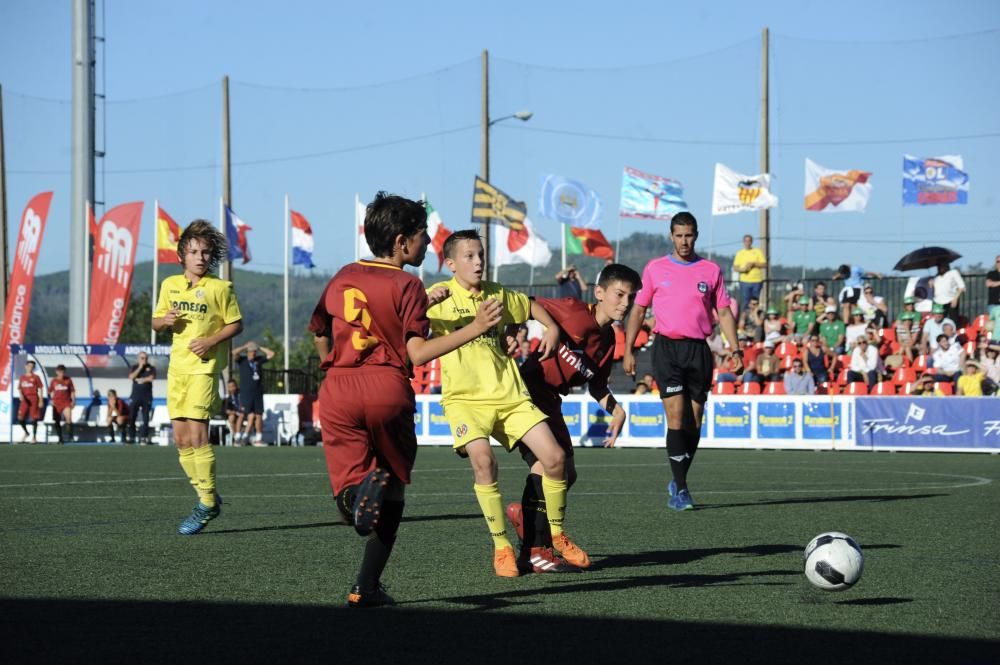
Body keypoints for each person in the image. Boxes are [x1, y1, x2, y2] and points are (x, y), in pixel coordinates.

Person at [314, 194, 502, 606]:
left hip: (338, 389)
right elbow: (416, 353)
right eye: (422, 236)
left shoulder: (343, 274)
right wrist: (476, 326)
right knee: (394, 488)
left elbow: (320, 331)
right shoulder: (408, 283)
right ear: (401, 242)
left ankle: (353, 500)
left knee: (352, 488)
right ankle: (365, 587)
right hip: (385, 388)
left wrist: (334, 365)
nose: (427, 244)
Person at [427, 229, 591, 577]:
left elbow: (531, 307)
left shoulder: (496, 294)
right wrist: (423, 307)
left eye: (481, 255)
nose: (478, 262)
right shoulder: (436, 297)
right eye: (469, 256)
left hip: (510, 396)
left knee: (556, 458)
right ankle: (502, 547)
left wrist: (551, 329)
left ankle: (558, 536)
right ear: (451, 263)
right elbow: (407, 331)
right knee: (484, 463)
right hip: (465, 402)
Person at [505, 264, 641, 574]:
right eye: (619, 295)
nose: (624, 303)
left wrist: (616, 409)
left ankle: (526, 522)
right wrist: (511, 334)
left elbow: (596, 384)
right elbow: (522, 303)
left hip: (550, 401)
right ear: (599, 293)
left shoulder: (608, 343)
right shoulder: (571, 310)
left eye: (630, 298)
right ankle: (534, 551)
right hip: (525, 391)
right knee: (549, 466)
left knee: (568, 474)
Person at [624, 212, 738, 512]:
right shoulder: (655, 269)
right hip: (667, 350)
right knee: (675, 417)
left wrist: (735, 348)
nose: (684, 241)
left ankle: (678, 479)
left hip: (698, 350)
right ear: (671, 236)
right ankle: (682, 490)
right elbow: (637, 311)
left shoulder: (711, 270)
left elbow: (724, 313)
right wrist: (627, 349)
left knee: (694, 421)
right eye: (679, 235)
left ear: (696, 235)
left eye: (688, 235)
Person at [152, 219, 244, 535]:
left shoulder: (221, 288)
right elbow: (155, 322)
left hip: (203, 369)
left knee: (198, 437)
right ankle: (207, 496)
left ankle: (206, 504)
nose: (200, 257)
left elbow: (236, 325)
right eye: (194, 252)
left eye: (205, 252)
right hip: (176, 370)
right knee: (180, 440)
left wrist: (210, 341)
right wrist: (164, 320)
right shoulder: (169, 285)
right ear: (182, 256)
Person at [232, 341, 275, 446]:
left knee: (258, 415)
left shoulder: (258, 360)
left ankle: (258, 439)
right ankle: (237, 438)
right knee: (242, 415)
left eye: (254, 351)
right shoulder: (242, 360)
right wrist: (244, 346)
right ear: (247, 352)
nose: (253, 353)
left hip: (258, 393)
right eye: (251, 351)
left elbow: (272, 354)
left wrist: (259, 347)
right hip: (246, 393)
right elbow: (233, 353)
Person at [128, 351, 156, 444]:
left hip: (146, 397)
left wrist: (140, 380)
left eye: (146, 358)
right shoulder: (135, 367)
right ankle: (131, 437)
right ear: (138, 359)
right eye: (142, 358)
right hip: (135, 396)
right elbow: (131, 377)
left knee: (145, 418)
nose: (144, 360)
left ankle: (143, 437)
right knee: (132, 417)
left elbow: (151, 378)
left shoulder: (151, 368)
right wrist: (140, 367)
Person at [732, 234, 766, 307]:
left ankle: (755, 315)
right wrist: (743, 269)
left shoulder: (757, 251)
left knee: (756, 301)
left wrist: (754, 264)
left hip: (757, 281)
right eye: (746, 241)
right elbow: (735, 267)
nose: (747, 242)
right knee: (746, 301)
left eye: (749, 241)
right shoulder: (740, 253)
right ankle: (746, 317)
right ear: (743, 242)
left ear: (751, 242)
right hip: (744, 281)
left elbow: (764, 264)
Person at [17, 360, 44, 443]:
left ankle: (34, 438)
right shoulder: (22, 377)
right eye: (29, 366)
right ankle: (26, 432)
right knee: (20, 418)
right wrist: (21, 395)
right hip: (25, 399)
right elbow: (19, 388)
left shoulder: (36, 377)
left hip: (34, 398)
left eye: (32, 366)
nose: (30, 368)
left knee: (34, 418)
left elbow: (40, 388)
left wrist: (41, 400)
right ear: (25, 366)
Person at [48, 364, 76, 444]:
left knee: (69, 419)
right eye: (59, 372)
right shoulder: (54, 381)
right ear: (56, 372)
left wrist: (73, 401)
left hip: (66, 402)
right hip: (56, 403)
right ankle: (60, 438)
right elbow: (50, 391)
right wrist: (51, 400)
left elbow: (72, 391)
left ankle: (70, 437)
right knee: (57, 421)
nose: (61, 374)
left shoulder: (68, 380)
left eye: (63, 372)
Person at [223, 379, 242, 445]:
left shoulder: (241, 395)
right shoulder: (228, 398)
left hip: (242, 414)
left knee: (241, 416)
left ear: (236, 386)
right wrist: (232, 412)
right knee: (231, 417)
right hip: (234, 414)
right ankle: (236, 437)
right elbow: (226, 410)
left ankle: (238, 436)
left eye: (233, 386)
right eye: (230, 387)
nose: (232, 388)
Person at [986, 255, 1000, 322]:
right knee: (993, 323)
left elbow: (992, 284)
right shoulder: (991, 273)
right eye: (998, 261)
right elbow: (988, 284)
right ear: (995, 263)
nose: (999, 263)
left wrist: (994, 283)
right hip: (993, 304)